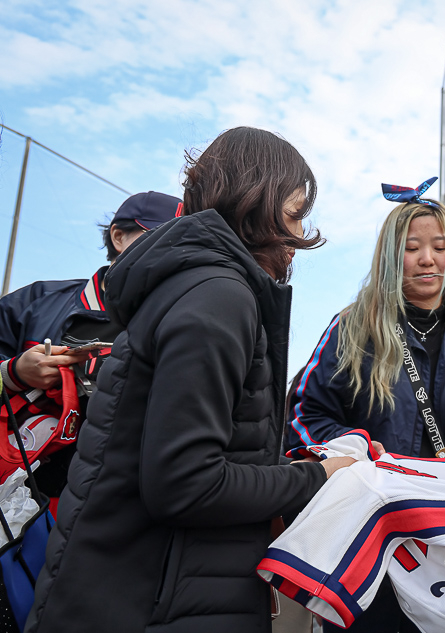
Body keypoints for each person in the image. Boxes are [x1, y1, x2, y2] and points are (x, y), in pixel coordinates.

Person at [25, 127, 354, 633]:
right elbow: (185, 484)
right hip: (151, 602)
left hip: (142, 588)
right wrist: (318, 478)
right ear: (254, 203)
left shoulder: (198, 286)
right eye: (293, 214)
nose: (298, 241)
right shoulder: (219, 297)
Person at [287, 180, 445, 633]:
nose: (428, 259)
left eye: (440, 246)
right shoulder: (352, 328)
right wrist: (356, 454)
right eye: (413, 248)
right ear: (391, 256)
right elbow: (302, 413)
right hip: (370, 534)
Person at [0, 191, 181, 505]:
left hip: (100, 512)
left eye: (181, 245)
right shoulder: (36, 303)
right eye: (157, 237)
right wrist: (13, 372)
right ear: (119, 236)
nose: (169, 254)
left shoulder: (178, 331)